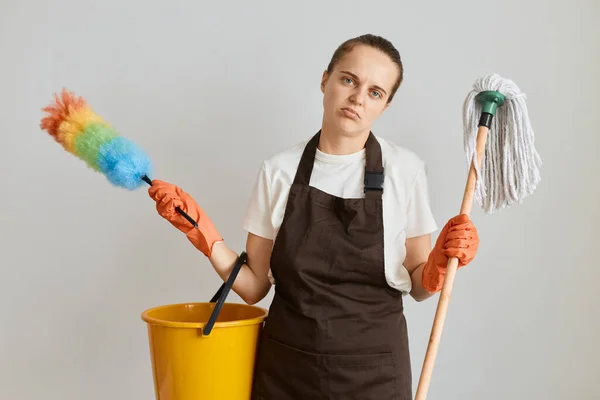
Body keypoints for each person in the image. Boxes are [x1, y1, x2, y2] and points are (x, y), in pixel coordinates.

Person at [147, 34, 479, 399]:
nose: (357, 98)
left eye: (375, 92)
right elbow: (255, 286)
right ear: (325, 80)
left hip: (376, 373)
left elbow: (418, 285)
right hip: (288, 371)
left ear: (384, 106)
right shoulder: (279, 171)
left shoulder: (406, 170)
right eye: (348, 79)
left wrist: (439, 263)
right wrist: (204, 235)